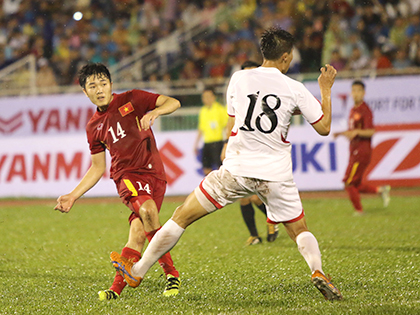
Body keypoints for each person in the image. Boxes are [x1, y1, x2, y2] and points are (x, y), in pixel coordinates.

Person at [111, 28, 343, 301]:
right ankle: (317, 271)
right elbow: (324, 127)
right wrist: (325, 90)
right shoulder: (296, 89)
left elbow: (236, 119)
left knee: (182, 216)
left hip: (236, 169)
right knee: (299, 229)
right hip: (275, 174)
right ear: (286, 57)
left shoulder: (240, 78)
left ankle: (138, 271)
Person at [54, 63, 181, 300]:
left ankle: (116, 289)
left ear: (111, 84)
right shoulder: (93, 127)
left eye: (103, 83)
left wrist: (155, 112)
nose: (99, 89)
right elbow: (98, 167)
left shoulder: (133, 99)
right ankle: (171, 274)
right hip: (127, 177)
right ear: (85, 92)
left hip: (156, 175)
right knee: (149, 211)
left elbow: (173, 102)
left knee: (138, 232)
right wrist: (73, 195)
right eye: (92, 86)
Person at [224, 60, 279, 246]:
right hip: (241, 149)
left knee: (256, 195)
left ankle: (274, 219)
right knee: (244, 197)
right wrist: (226, 144)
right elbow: (231, 121)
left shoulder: (268, 97)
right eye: (246, 73)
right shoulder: (237, 96)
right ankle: (255, 234)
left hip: (261, 149)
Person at [334, 80, 390, 215]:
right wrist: (341, 133)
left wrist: (357, 132)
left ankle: (359, 210)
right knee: (356, 183)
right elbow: (353, 131)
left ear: (364, 93)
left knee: (348, 182)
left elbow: (371, 131)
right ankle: (380, 190)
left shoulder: (365, 110)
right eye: (353, 91)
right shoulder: (353, 110)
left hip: (362, 151)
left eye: (358, 91)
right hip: (354, 151)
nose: (355, 94)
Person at [194, 87, 228, 175]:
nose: (206, 99)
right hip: (207, 143)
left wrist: (227, 142)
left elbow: (227, 126)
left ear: (214, 97)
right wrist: (196, 143)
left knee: (219, 168)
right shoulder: (203, 111)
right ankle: (210, 187)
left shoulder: (220, 109)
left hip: (218, 142)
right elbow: (201, 128)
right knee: (206, 168)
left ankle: (221, 188)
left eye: (208, 96)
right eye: (204, 97)